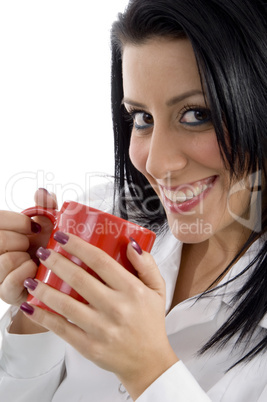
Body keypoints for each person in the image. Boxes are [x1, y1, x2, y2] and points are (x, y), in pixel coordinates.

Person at [0, 0, 266, 400]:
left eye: (196, 114)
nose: (156, 162)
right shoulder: (107, 217)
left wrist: (150, 371)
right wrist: (40, 315)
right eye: (141, 118)